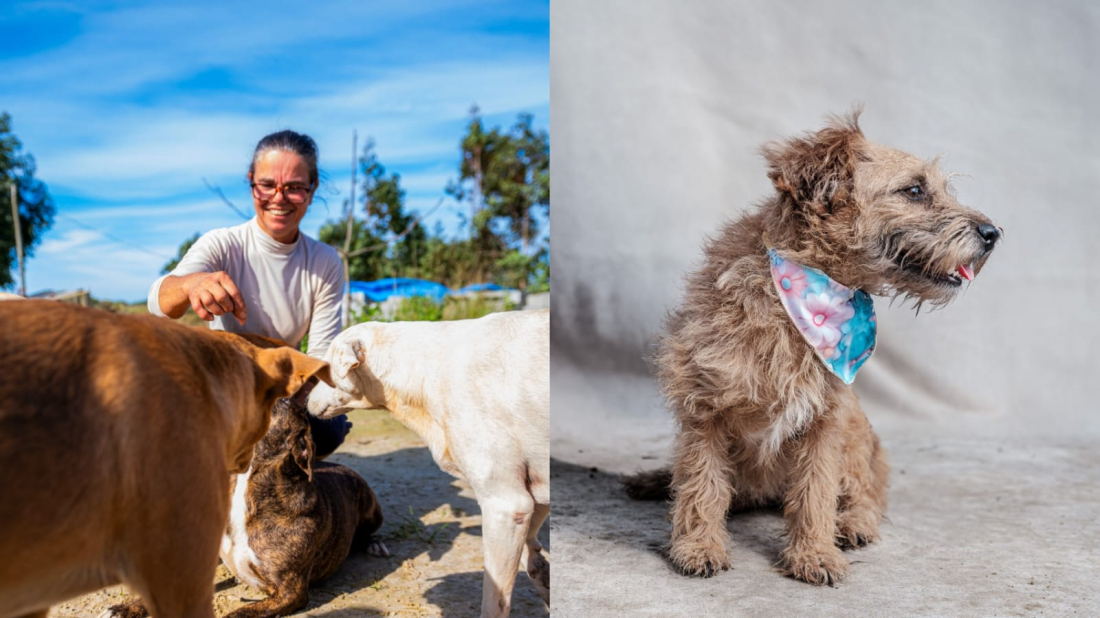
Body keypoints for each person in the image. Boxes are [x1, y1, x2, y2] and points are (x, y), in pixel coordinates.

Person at [148, 130, 350, 456]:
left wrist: (288, 405)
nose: (279, 198)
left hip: (286, 385)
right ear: (251, 182)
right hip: (230, 383)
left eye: (295, 188)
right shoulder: (223, 244)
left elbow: (319, 360)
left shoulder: (325, 261)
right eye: (267, 185)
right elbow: (159, 303)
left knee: (328, 426)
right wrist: (190, 284)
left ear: (312, 191)